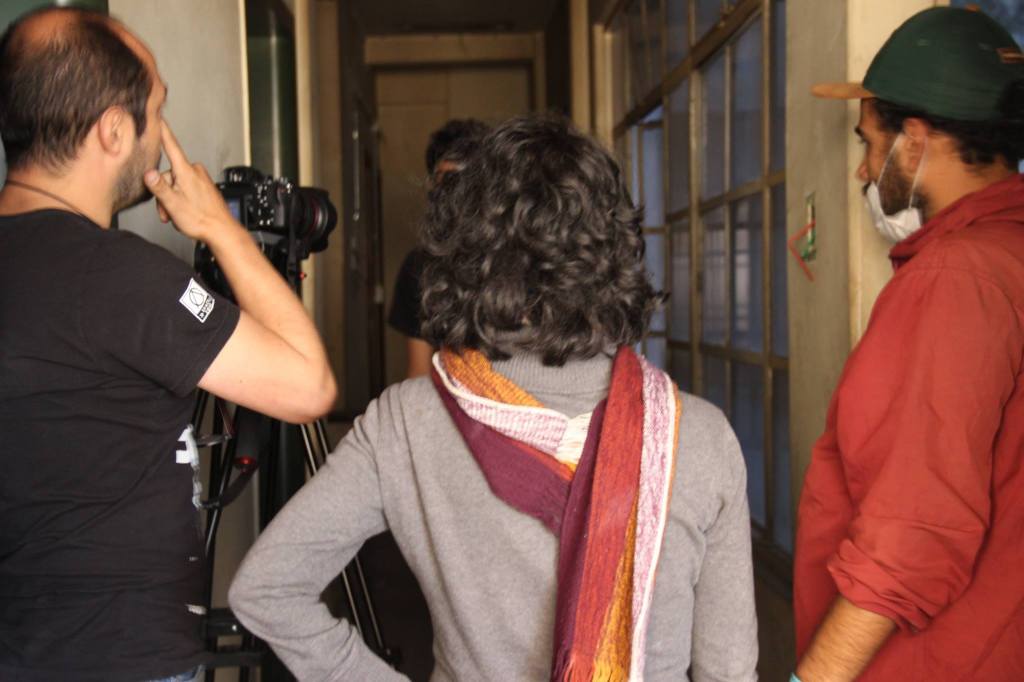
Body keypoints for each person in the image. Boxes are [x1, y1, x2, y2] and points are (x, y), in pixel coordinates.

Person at [228, 115, 759, 681]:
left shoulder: (406, 424)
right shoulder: (700, 438)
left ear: (464, 251)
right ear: (616, 253)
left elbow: (266, 589)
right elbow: (728, 673)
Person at [0, 8, 335, 682]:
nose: (161, 137)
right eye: (156, 112)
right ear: (113, 130)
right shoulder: (123, 276)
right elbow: (309, 386)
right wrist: (219, 228)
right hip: (122, 656)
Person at [794, 7, 1024, 681]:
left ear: (915, 142)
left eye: (870, 144)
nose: (864, 171)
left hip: (937, 658)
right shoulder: (1006, 256)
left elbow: (910, 535)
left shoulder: (954, 279)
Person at [388, 118, 488, 378]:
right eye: (448, 182)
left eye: (467, 180)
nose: (456, 196)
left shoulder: (516, 257)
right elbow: (419, 371)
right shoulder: (419, 266)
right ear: (433, 184)